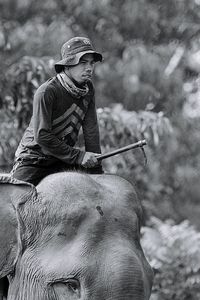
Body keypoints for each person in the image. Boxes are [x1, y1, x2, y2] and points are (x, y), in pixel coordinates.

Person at [11, 36, 104, 185]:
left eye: (92, 63)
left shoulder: (88, 89)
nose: (89, 68)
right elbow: (42, 136)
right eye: (83, 62)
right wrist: (79, 157)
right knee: (15, 202)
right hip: (34, 159)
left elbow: (91, 130)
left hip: (63, 159)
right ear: (67, 65)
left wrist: (96, 166)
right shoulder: (47, 91)